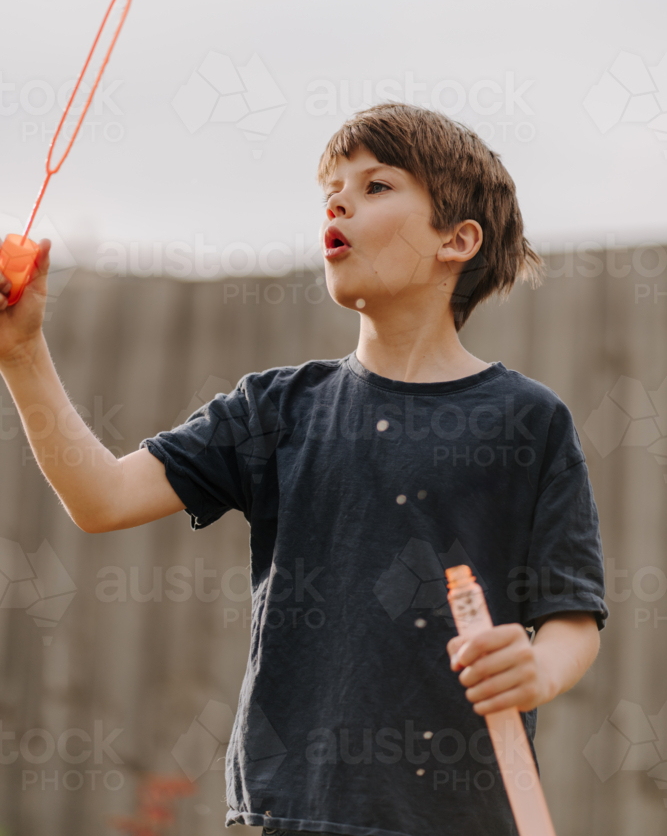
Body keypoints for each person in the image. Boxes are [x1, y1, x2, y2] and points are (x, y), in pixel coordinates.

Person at [0, 103, 607, 836]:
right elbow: (101, 498)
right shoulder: (276, 408)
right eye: (331, 190)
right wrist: (23, 354)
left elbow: (572, 618)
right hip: (287, 813)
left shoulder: (528, 421)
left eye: (376, 185)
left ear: (457, 239)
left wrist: (537, 670)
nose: (339, 200)